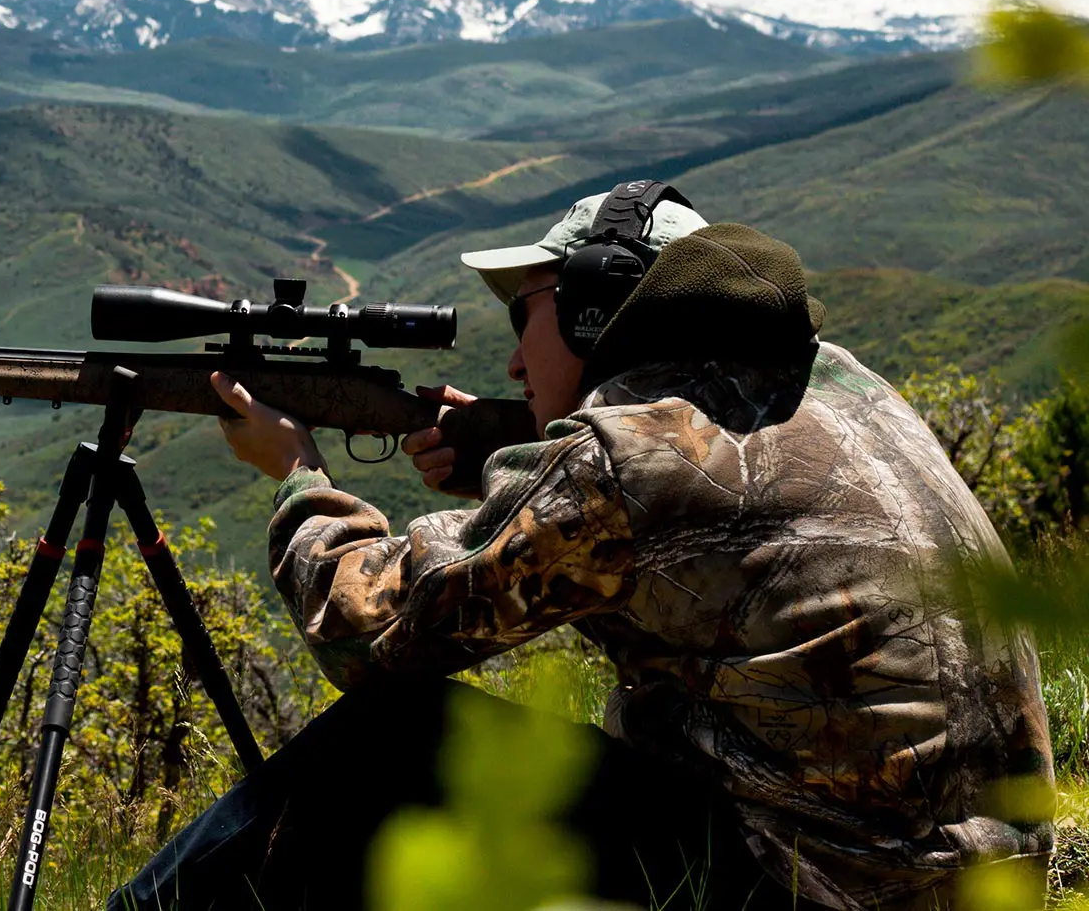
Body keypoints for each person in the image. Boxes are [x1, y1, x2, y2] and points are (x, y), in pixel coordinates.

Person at [109, 183, 1055, 911]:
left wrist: (298, 476)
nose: (517, 358)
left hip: (812, 886)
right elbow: (709, 527)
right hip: (965, 881)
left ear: (597, 310)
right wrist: (513, 457)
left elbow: (371, 624)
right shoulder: (851, 389)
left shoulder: (630, 457)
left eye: (526, 314)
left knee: (394, 741)